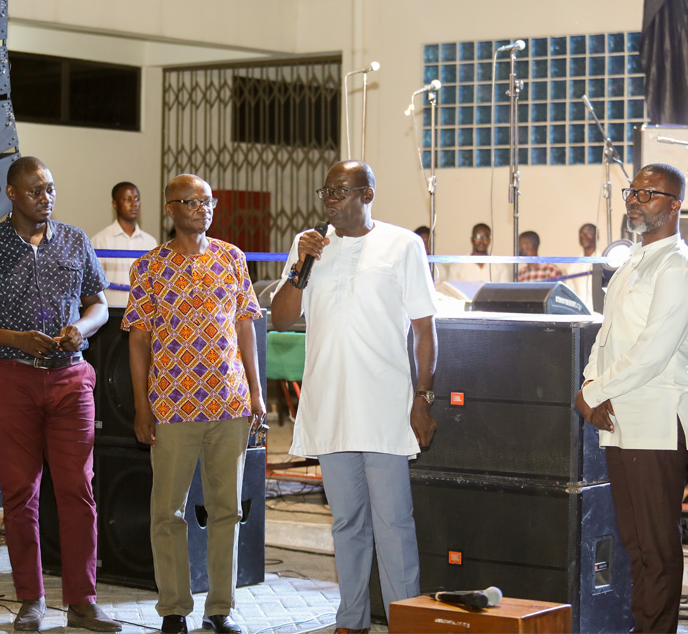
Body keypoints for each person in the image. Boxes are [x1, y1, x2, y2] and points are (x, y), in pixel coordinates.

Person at [0, 156, 120, 632]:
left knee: (78, 490)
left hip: (69, 379)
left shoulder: (74, 239)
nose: (46, 198)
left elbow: (99, 305)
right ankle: (31, 599)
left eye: (50, 189)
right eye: (36, 191)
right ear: (12, 195)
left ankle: (82, 601)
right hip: (10, 379)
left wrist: (78, 329)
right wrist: (11, 337)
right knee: (22, 493)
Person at [271, 160, 437, 634]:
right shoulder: (309, 247)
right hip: (330, 405)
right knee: (346, 523)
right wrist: (300, 266)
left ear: (367, 194)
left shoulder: (403, 245)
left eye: (341, 192)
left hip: (385, 406)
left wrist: (422, 398)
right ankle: (352, 620)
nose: (331, 201)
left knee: (393, 525)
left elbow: (425, 328)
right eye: (327, 192)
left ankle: (405, 621)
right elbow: (282, 319)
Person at [124, 174, 264, 634]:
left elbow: (245, 327)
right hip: (172, 406)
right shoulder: (149, 267)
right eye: (190, 201)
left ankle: (220, 609)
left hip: (229, 404)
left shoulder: (232, 258)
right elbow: (139, 341)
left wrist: (257, 394)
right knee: (168, 513)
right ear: (170, 209)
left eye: (207, 201)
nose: (201, 208)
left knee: (228, 510)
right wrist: (142, 407)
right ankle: (174, 610)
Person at [574, 164, 688, 633]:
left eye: (649, 193)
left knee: (655, 547)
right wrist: (590, 385)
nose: (635, 199)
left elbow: (652, 352)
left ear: (675, 206)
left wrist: (594, 391)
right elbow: (607, 335)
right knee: (634, 544)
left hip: (656, 414)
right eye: (633, 191)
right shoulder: (633, 259)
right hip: (621, 416)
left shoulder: (679, 266)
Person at [90, 182, 158, 307]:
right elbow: (94, 286)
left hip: (142, 316)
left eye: (137, 199)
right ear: (115, 204)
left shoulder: (150, 242)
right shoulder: (100, 240)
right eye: (127, 199)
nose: (134, 204)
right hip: (111, 313)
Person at [434, 223, 511, 296]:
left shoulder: (500, 267)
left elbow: (505, 293)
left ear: (489, 241)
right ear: (472, 239)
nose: (481, 241)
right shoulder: (457, 266)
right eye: (478, 237)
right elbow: (450, 293)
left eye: (485, 237)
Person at [565, 223, 597, 309]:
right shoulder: (572, 266)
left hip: (600, 315)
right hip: (578, 315)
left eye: (588, 233)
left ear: (597, 236)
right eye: (581, 233)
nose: (584, 236)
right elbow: (569, 294)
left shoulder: (603, 263)